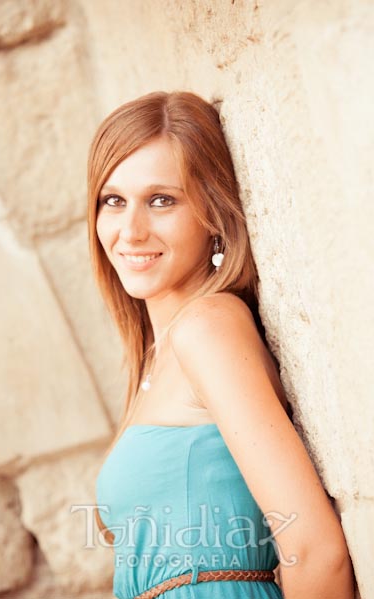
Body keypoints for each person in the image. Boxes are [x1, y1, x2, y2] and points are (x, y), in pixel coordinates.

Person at [89, 90, 354, 599]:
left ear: (212, 213)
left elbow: (315, 551)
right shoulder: (154, 358)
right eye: (113, 201)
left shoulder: (208, 328)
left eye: (161, 200)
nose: (131, 229)